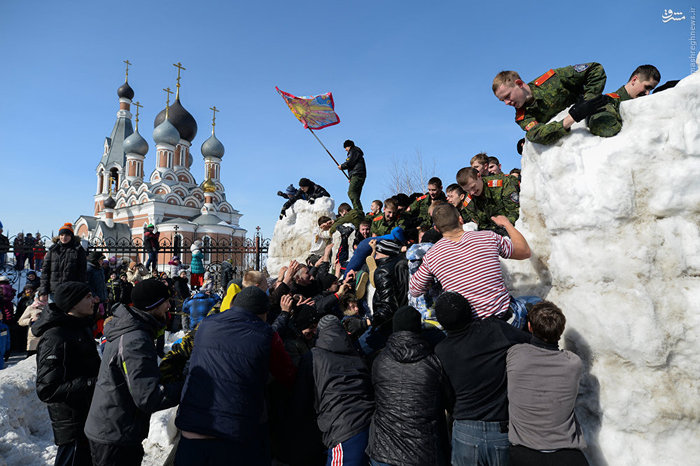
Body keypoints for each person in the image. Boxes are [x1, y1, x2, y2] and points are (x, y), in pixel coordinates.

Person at [173, 286, 296, 465]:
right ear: (263, 314)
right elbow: (287, 374)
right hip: (235, 436)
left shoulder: (207, 325)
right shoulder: (266, 335)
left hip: (192, 430)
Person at [84, 279, 182, 466]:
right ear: (153, 305)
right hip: (115, 434)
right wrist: (187, 386)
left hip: (115, 427)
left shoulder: (133, 330)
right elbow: (149, 397)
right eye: (166, 301)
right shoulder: (135, 339)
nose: (169, 306)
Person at [434, 292, 531, 466]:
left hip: (465, 431)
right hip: (501, 430)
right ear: (469, 312)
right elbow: (530, 342)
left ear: (442, 323)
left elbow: (446, 396)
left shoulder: (441, 351)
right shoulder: (494, 329)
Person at [409, 204, 531, 319]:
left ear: (436, 228)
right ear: (460, 219)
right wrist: (506, 223)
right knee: (534, 301)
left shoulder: (431, 256)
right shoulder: (488, 237)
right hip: (505, 317)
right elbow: (524, 251)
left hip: (470, 324)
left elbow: (414, 290)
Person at [506, 301, 589, 466]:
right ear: (561, 331)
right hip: (567, 456)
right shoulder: (573, 363)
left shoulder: (516, 354)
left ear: (529, 327)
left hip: (524, 455)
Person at [366, 306, 449, 466]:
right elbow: (447, 401)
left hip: (383, 450)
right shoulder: (432, 363)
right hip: (421, 453)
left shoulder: (379, 361)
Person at [33, 281, 101, 466]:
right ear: (73, 303)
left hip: (88, 418)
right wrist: (93, 382)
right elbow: (47, 390)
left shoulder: (80, 327)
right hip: (72, 426)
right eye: (88, 297)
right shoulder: (56, 336)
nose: (94, 300)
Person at [293, 315, 374, 466]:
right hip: (369, 423)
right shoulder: (355, 354)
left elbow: (302, 397)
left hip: (342, 427)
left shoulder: (313, 357)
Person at [493, 63, 609, 144]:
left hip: (593, 111)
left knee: (606, 126)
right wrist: (572, 117)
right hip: (572, 131)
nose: (506, 103)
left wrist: (588, 101)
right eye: (503, 100)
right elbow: (537, 134)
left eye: (507, 96)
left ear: (519, 84)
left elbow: (594, 69)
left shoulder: (552, 80)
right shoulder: (523, 116)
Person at [588, 64, 661, 137]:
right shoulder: (609, 100)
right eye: (646, 87)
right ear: (634, 80)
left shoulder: (644, 107)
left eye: (650, 90)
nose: (647, 93)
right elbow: (601, 125)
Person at [456, 166, 520, 231]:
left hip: (514, 228)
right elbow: (481, 225)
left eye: (473, 187)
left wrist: (504, 226)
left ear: (479, 176)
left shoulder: (502, 184)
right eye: (467, 190)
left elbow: (515, 211)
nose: (472, 192)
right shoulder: (469, 203)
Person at [39, 223, 87, 301]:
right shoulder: (53, 250)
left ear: (71, 236)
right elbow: (45, 272)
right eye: (62, 235)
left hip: (71, 291)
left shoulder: (78, 250)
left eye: (67, 235)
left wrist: (80, 290)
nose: (64, 237)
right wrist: (43, 291)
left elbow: (82, 272)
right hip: (54, 291)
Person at [338, 139, 367, 212]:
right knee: (356, 194)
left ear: (349, 146)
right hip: (357, 175)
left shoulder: (354, 151)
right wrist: (351, 177)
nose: (345, 149)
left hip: (357, 174)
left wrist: (342, 166)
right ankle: (358, 210)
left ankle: (358, 210)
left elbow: (351, 162)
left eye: (345, 147)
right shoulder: (356, 152)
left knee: (351, 192)